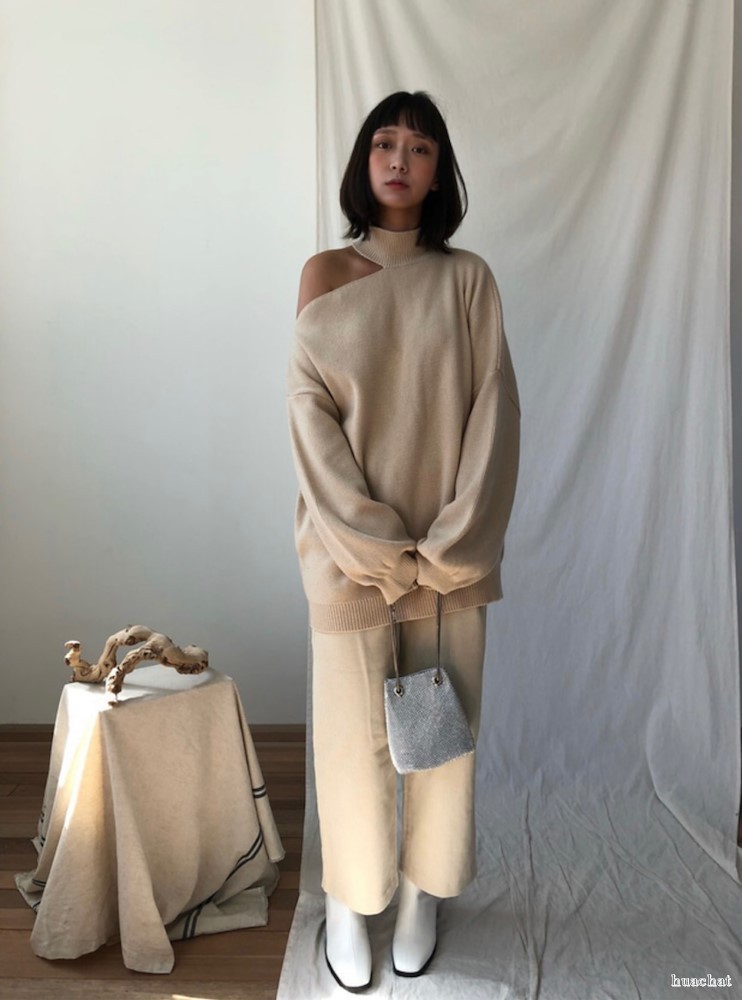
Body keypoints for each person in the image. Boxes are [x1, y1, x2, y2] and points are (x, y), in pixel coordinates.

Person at [287, 90, 521, 992]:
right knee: (352, 744)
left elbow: (495, 413)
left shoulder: (469, 280)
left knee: (443, 741)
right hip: (350, 560)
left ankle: (424, 894)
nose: (398, 159)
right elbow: (310, 420)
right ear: (363, 160)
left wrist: (450, 547)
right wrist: (380, 551)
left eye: (419, 148)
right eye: (384, 143)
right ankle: (353, 900)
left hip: (449, 558)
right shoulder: (323, 274)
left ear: (438, 170)